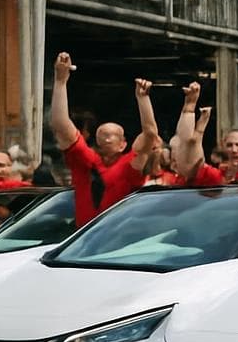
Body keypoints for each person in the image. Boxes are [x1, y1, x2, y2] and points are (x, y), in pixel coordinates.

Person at [49, 52, 158, 225]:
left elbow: (150, 133)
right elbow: (61, 124)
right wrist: (60, 81)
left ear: (123, 144)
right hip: (82, 236)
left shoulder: (128, 166)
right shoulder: (85, 160)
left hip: (116, 237)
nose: (105, 137)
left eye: (112, 135)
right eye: (101, 133)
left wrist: (143, 98)